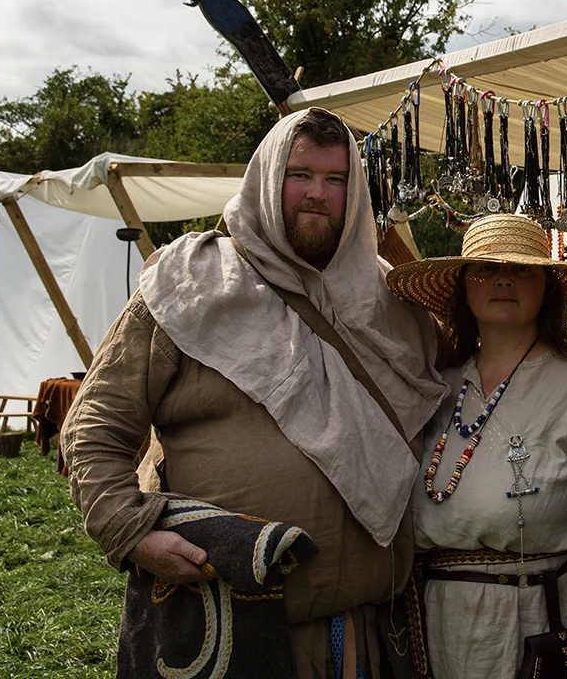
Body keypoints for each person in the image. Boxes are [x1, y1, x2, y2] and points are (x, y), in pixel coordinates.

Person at [61, 107, 446, 677]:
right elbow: (95, 427)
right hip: (224, 635)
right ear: (266, 179)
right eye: (299, 174)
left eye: (336, 179)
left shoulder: (392, 298)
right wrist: (130, 532)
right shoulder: (187, 283)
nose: (317, 193)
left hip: (366, 634)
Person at [384, 213, 567, 679]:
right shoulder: (434, 385)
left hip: (542, 629)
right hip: (433, 631)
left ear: (547, 288)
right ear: (463, 288)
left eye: (522, 269)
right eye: (486, 269)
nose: (503, 280)